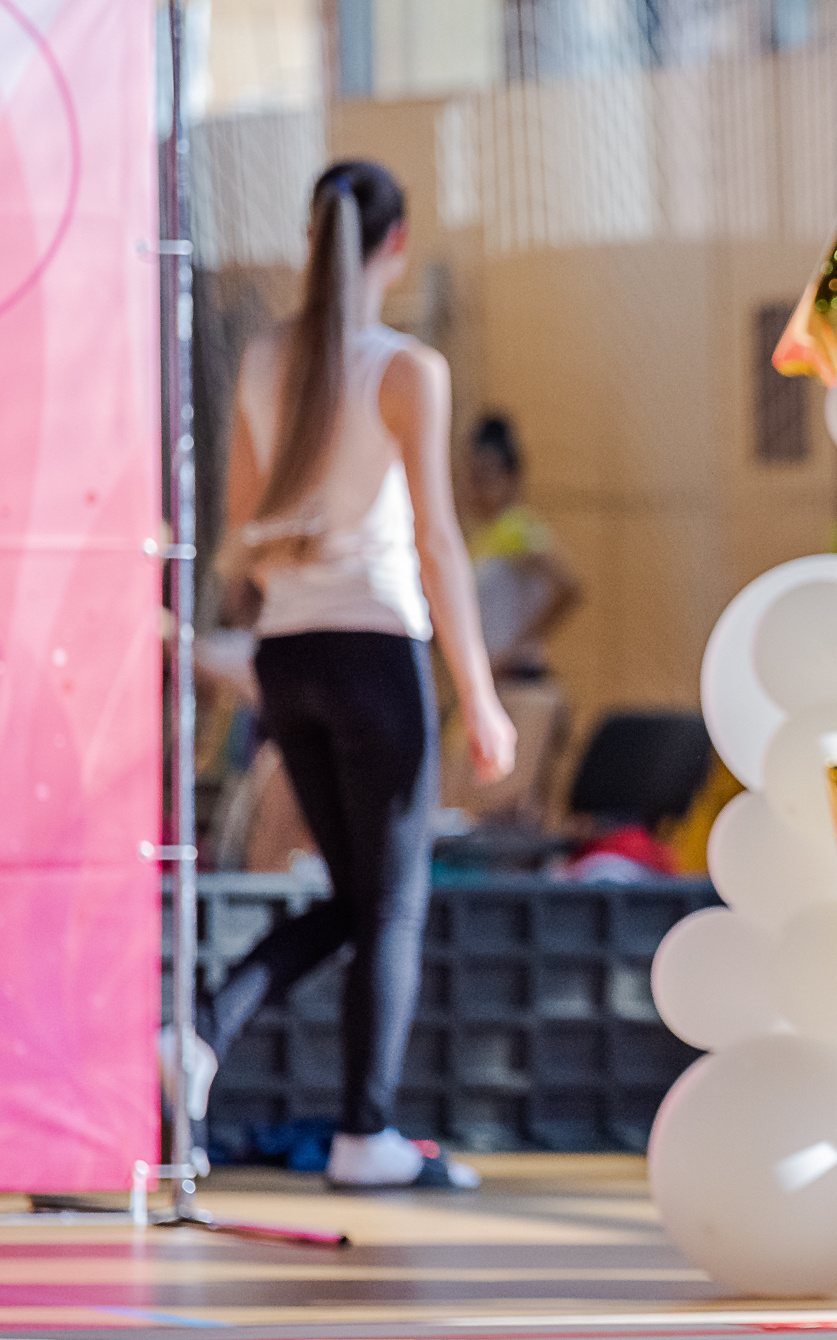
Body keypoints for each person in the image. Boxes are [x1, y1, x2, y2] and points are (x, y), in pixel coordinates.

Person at [203, 160, 516, 1189]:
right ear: (399, 241)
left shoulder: (263, 359)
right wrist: (480, 697)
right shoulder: (406, 369)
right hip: (375, 653)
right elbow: (437, 541)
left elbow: (242, 531)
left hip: (288, 656)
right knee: (390, 906)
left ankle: (198, 1034)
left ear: (311, 237)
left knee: (356, 897)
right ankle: (363, 1133)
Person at [460, 412, 583, 683]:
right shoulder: (481, 537)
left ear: (510, 478)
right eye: (472, 476)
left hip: (517, 675)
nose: (475, 488)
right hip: (489, 675)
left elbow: (570, 586)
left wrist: (517, 648)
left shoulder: (516, 528)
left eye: (485, 477)